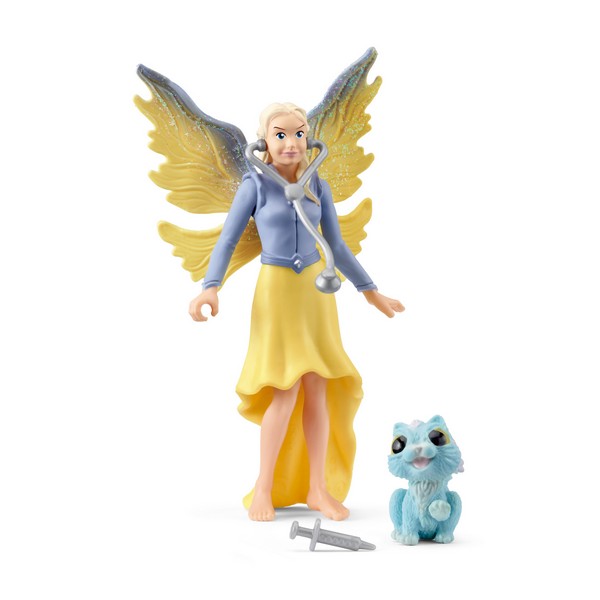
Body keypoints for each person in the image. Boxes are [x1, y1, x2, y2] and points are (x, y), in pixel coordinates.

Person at [188, 103, 404, 521]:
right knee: (285, 392)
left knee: (318, 390)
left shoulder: (317, 184)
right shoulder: (254, 184)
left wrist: (370, 291)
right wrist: (211, 287)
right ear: (265, 140)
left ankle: (318, 488)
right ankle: (264, 489)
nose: (291, 143)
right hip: (278, 292)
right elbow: (228, 240)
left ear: (310, 138)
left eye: (299, 133)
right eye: (281, 134)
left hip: (316, 293)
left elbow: (336, 245)